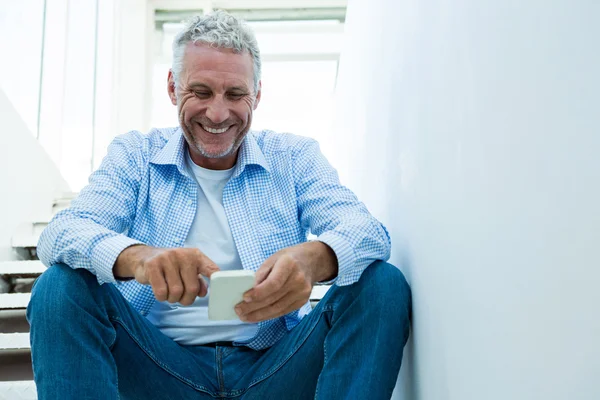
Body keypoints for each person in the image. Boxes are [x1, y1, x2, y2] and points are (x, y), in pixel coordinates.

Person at [27, 10, 411, 400]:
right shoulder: (134, 155)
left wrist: (314, 259)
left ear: (257, 95)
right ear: (173, 88)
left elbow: (368, 233)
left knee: (381, 283)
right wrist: (139, 259)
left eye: (235, 94)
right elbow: (62, 233)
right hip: (158, 367)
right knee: (59, 288)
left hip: (274, 368)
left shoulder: (294, 157)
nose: (217, 113)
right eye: (201, 92)